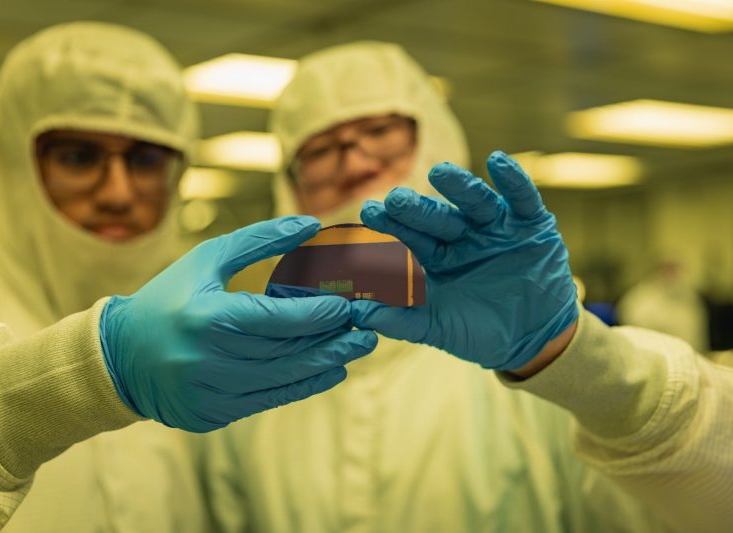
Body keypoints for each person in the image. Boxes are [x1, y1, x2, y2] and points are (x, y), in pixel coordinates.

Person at [196, 41, 733, 533]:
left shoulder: (531, 366)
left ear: (435, 137)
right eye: (321, 151)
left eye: (381, 132)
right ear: (288, 187)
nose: (356, 162)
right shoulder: (252, 390)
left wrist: (571, 359)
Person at [0, 23, 377, 531]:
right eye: (79, 156)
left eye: (145, 160)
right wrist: (70, 382)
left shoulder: (210, 325)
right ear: (14, 161)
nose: (119, 192)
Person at [618, 257, 709, 352]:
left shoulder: (691, 300)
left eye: (674, 269)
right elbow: (633, 328)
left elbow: (698, 336)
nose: (671, 274)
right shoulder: (641, 298)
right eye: (667, 269)